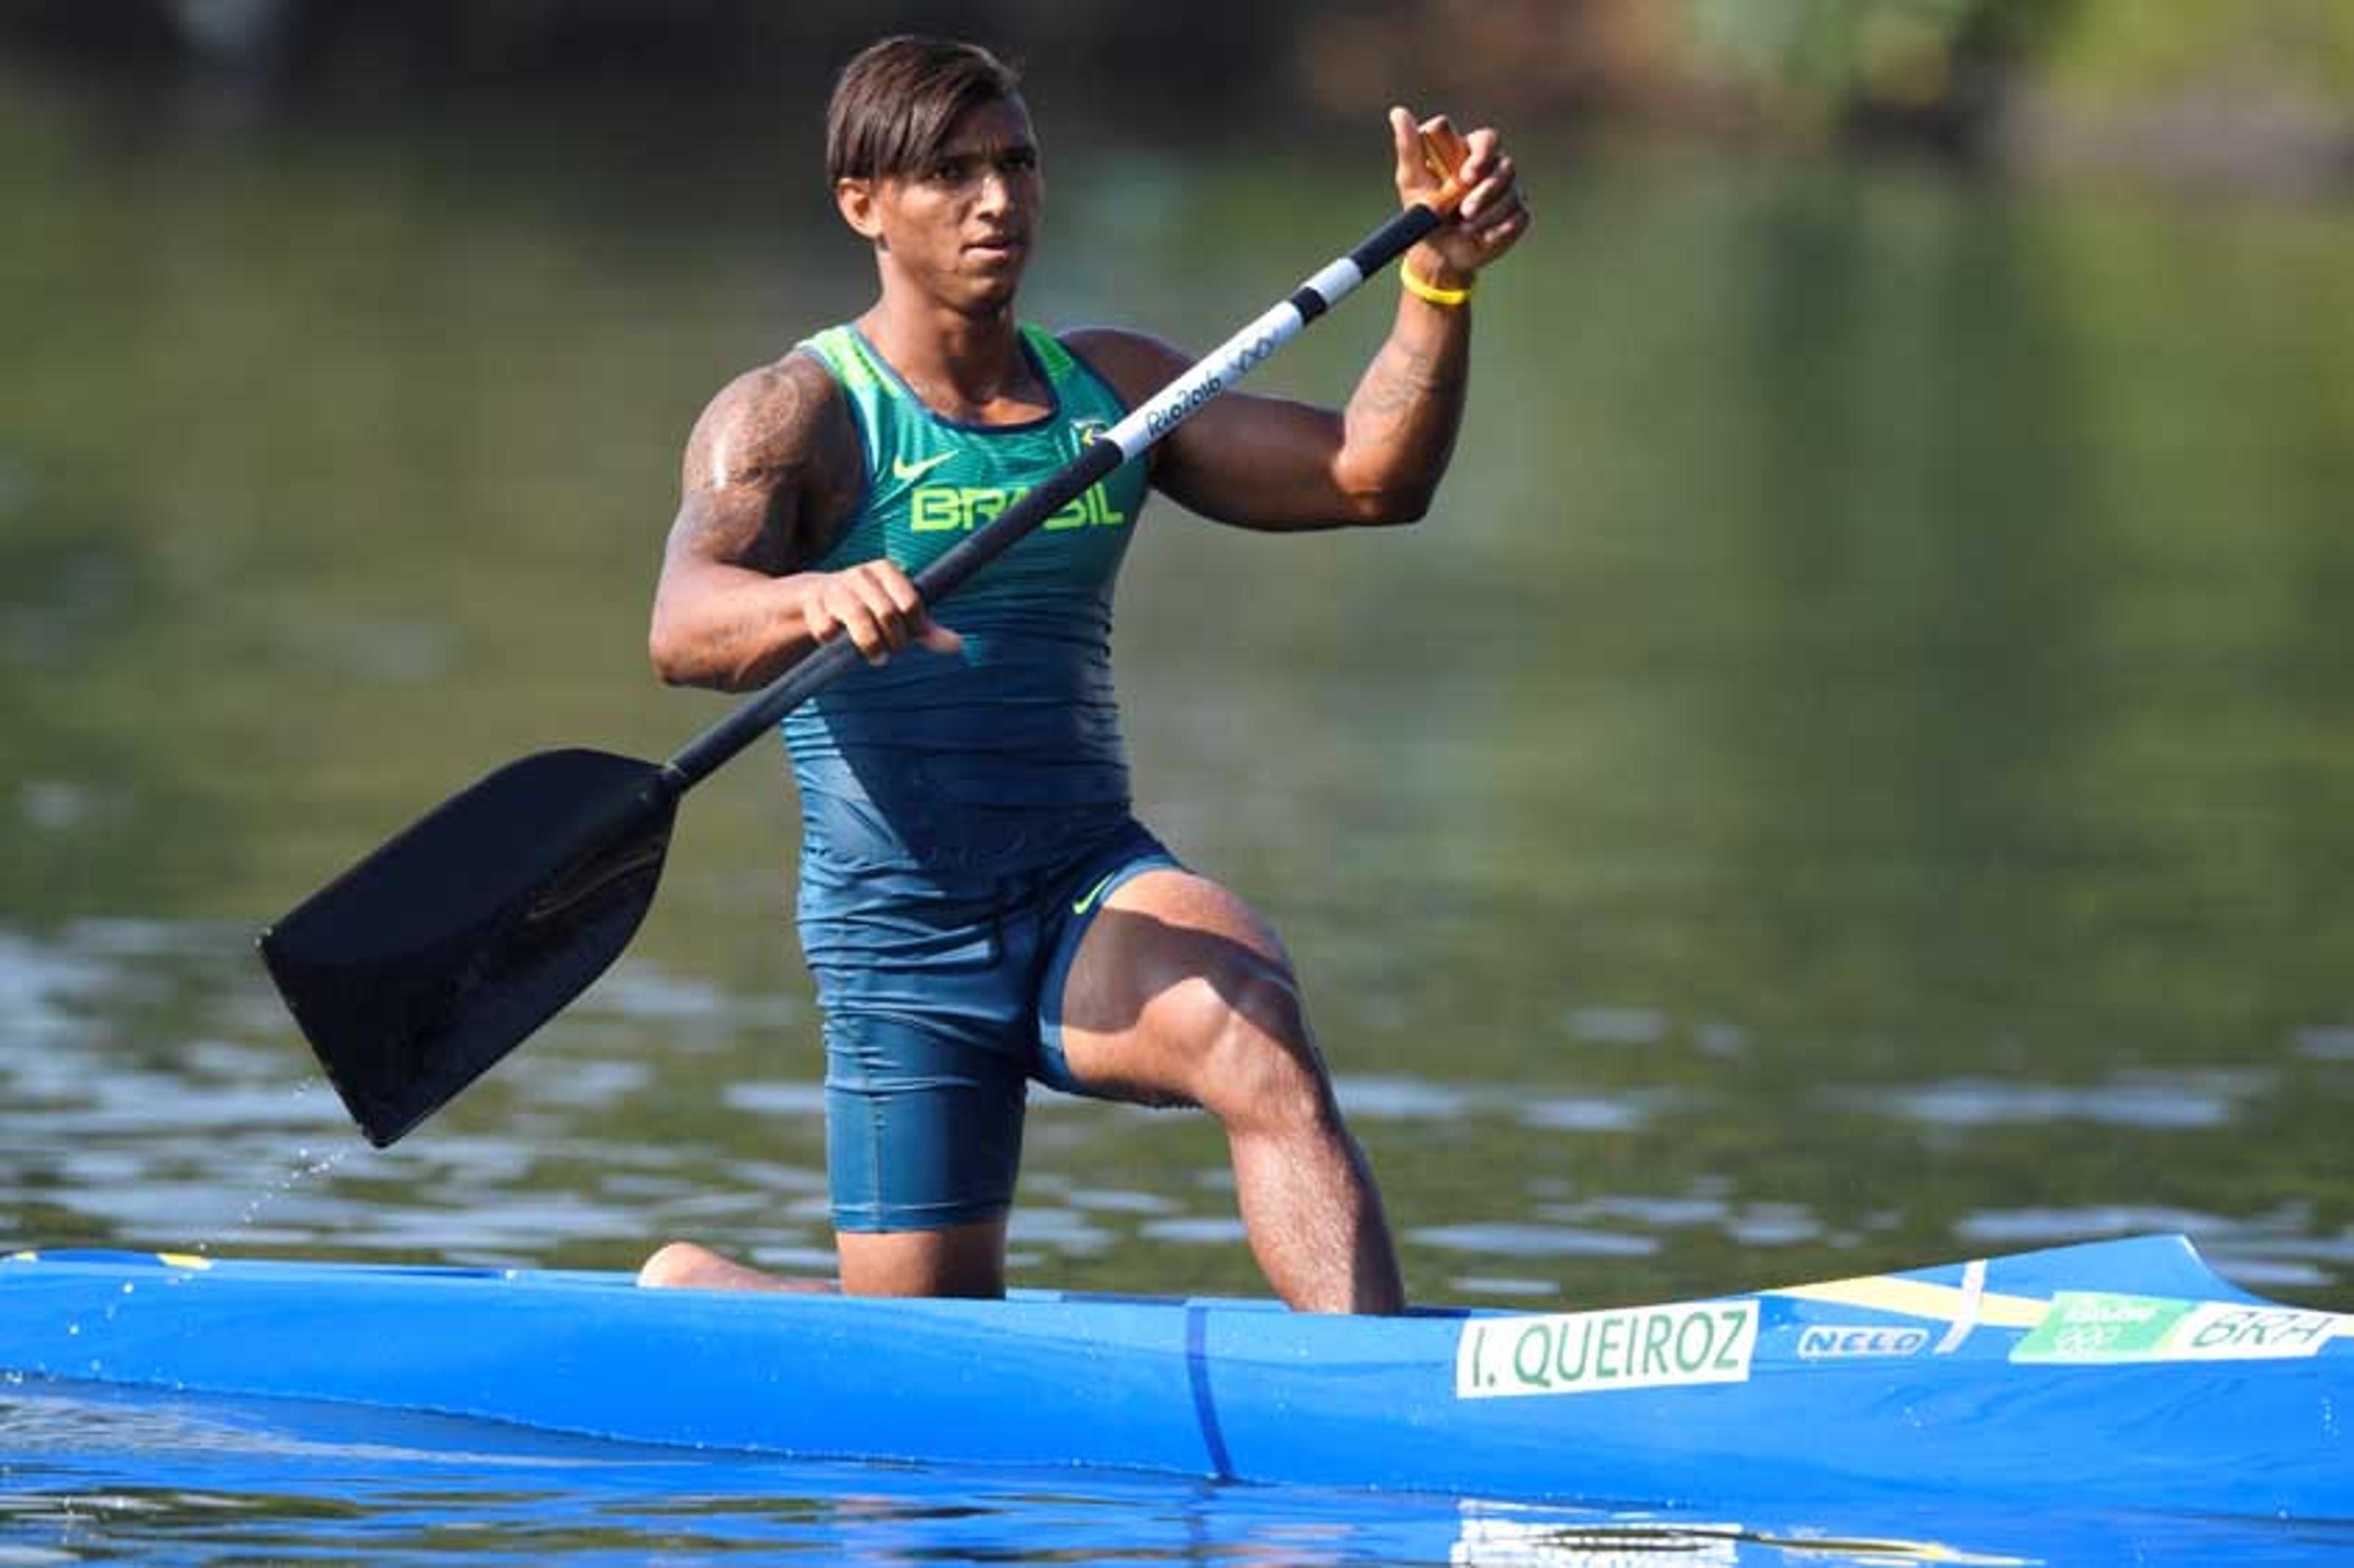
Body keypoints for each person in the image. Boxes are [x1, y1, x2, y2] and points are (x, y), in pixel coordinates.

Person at [636, 36, 1528, 1313]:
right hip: (899, 947)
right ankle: (699, 1290)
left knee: (1253, 1024)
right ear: (862, 205)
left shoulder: (1117, 394)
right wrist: (811, 594)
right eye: (949, 172)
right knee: (924, 1360)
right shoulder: (793, 414)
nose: (997, 200)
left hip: (1080, 887)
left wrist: (1438, 286)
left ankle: (1372, 1396)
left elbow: (1373, 475)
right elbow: (683, 622)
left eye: (1016, 163)